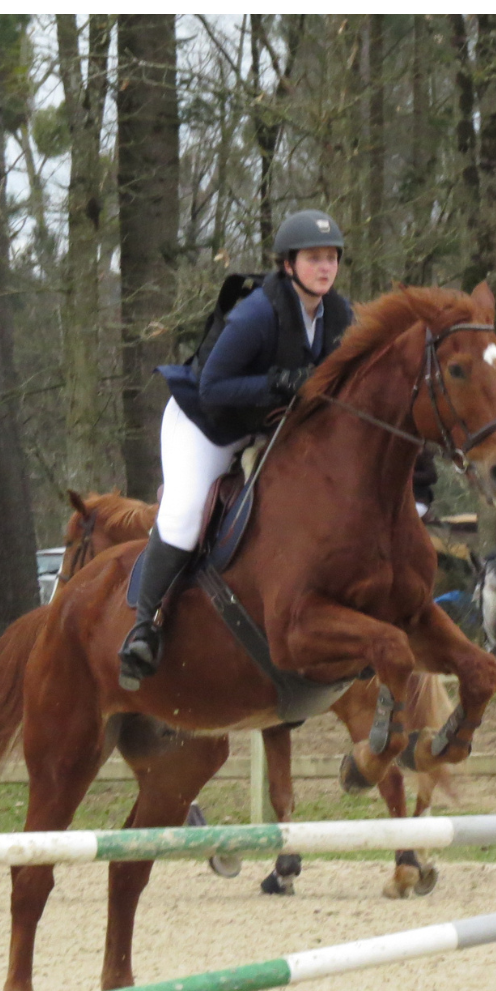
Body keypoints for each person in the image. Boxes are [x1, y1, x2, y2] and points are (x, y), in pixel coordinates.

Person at [119, 210, 354, 688]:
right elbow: (213, 387)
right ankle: (144, 628)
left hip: (266, 428)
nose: (325, 267)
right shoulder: (257, 314)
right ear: (288, 265)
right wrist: (278, 383)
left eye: (331, 258)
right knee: (185, 518)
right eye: (313, 258)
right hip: (206, 424)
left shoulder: (339, 315)